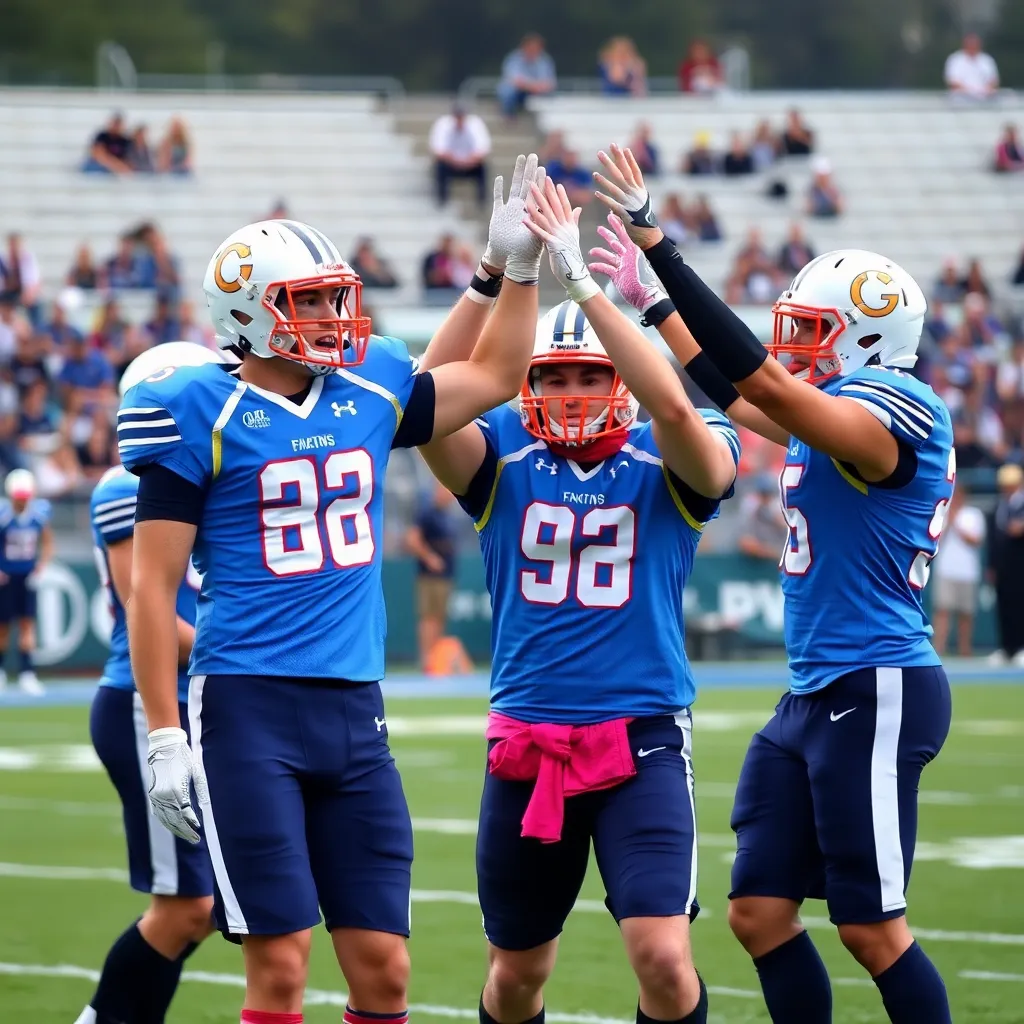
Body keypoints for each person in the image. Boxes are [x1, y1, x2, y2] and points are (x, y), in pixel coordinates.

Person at [117, 156, 548, 1023]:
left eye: (330, 298)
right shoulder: (196, 410)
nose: (330, 317)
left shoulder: (365, 385)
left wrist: (515, 269)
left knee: (384, 969)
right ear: (248, 313)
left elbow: (497, 376)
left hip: (355, 707)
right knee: (281, 967)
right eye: (307, 301)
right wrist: (163, 733)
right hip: (248, 705)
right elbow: (151, 589)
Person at [594, 142, 956, 1024]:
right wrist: (656, 310)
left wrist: (660, 246)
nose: (796, 345)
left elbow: (762, 383)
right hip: (816, 691)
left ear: (869, 337)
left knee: (872, 929)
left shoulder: (904, 409)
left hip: (877, 682)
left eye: (814, 329)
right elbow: (737, 394)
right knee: (758, 914)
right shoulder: (831, 414)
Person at [417, 180, 741, 1024]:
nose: (567, 391)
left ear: (623, 380)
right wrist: (499, 273)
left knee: (664, 959)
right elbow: (419, 406)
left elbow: (678, 410)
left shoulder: (671, 451)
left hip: (642, 737)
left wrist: (589, 289)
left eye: (588, 376)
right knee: (515, 977)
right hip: (527, 739)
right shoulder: (503, 456)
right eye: (551, 376)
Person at [76, 343, 222, 1024]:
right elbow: (146, 604)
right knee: (187, 905)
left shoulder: (219, 465)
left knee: (215, 903)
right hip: (146, 699)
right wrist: (247, 648)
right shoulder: (124, 484)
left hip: (204, 695)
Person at [0, 469, 52, 694]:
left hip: (27, 576)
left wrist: (41, 566)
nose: (21, 502)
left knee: (27, 624)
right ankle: (1, 672)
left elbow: (48, 542)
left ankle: (27, 673)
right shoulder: (4, 515)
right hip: (6, 576)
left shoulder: (38, 514)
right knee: (3, 627)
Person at [404, 482, 458, 670]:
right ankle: (426, 659)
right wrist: (429, 557)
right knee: (429, 617)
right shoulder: (427, 513)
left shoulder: (447, 516)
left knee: (440, 616)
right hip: (429, 577)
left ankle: (436, 660)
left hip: (445, 576)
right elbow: (412, 539)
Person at [930, 480, 985, 657]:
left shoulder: (974, 514)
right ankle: (939, 648)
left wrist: (956, 523)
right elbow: (936, 541)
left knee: (966, 614)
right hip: (945, 571)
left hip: (968, 573)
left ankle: (965, 650)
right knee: (942, 611)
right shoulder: (942, 514)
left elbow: (975, 540)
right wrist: (949, 519)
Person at [989, 463, 1024, 664]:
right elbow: (994, 538)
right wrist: (992, 566)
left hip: (1020, 565)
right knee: (1003, 606)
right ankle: (1006, 648)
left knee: (1020, 605)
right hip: (1003, 566)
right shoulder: (999, 506)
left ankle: (1020, 646)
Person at [430, 104, 491, 207]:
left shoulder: (475, 124)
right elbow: (438, 150)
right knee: (440, 166)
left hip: (471, 164)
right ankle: (442, 201)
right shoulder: (443, 124)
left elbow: (483, 149)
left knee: (483, 167)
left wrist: (469, 161)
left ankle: (482, 202)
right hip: (450, 164)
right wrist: (455, 161)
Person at [497, 34, 556, 118]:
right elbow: (515, 80)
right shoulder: (514, 59)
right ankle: (509, 116)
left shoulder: (545, 60)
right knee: (507, 91)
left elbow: (550, 82)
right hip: (519, 92)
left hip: (537, 92)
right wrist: (532, 86)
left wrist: (537, 87)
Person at [738, 473, 786, 561]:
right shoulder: (752, 515)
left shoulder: (779, 516)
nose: (765, 499)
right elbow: (745, 542)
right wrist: (767, 551)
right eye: (763, 495)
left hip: (777, 561)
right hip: (756, 563)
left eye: (768, 495)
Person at [944, 33, 999, 101]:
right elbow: (952, 81)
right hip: (960, 101)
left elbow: (993, 80)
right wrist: (971, 92)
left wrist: (985, 90)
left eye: (974, 44)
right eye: (970, 43)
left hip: (984, 101)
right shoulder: (955, 59)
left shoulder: (987, 59)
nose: (972, 46)